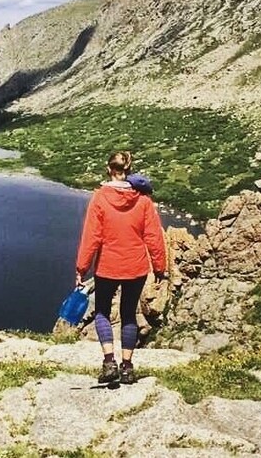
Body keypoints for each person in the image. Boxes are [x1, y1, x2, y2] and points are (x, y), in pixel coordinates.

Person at [75, 151, 168, 385]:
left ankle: (109, 362)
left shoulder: (99, 197)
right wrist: (159, 268)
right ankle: (127, 367)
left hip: (107, 266)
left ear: (109, 169)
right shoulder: (144, 201)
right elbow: (154, 237)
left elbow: (91, 237)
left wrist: (81, 268)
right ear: (129, 170)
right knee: (128, 314)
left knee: (102, 312)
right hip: (136, 267)